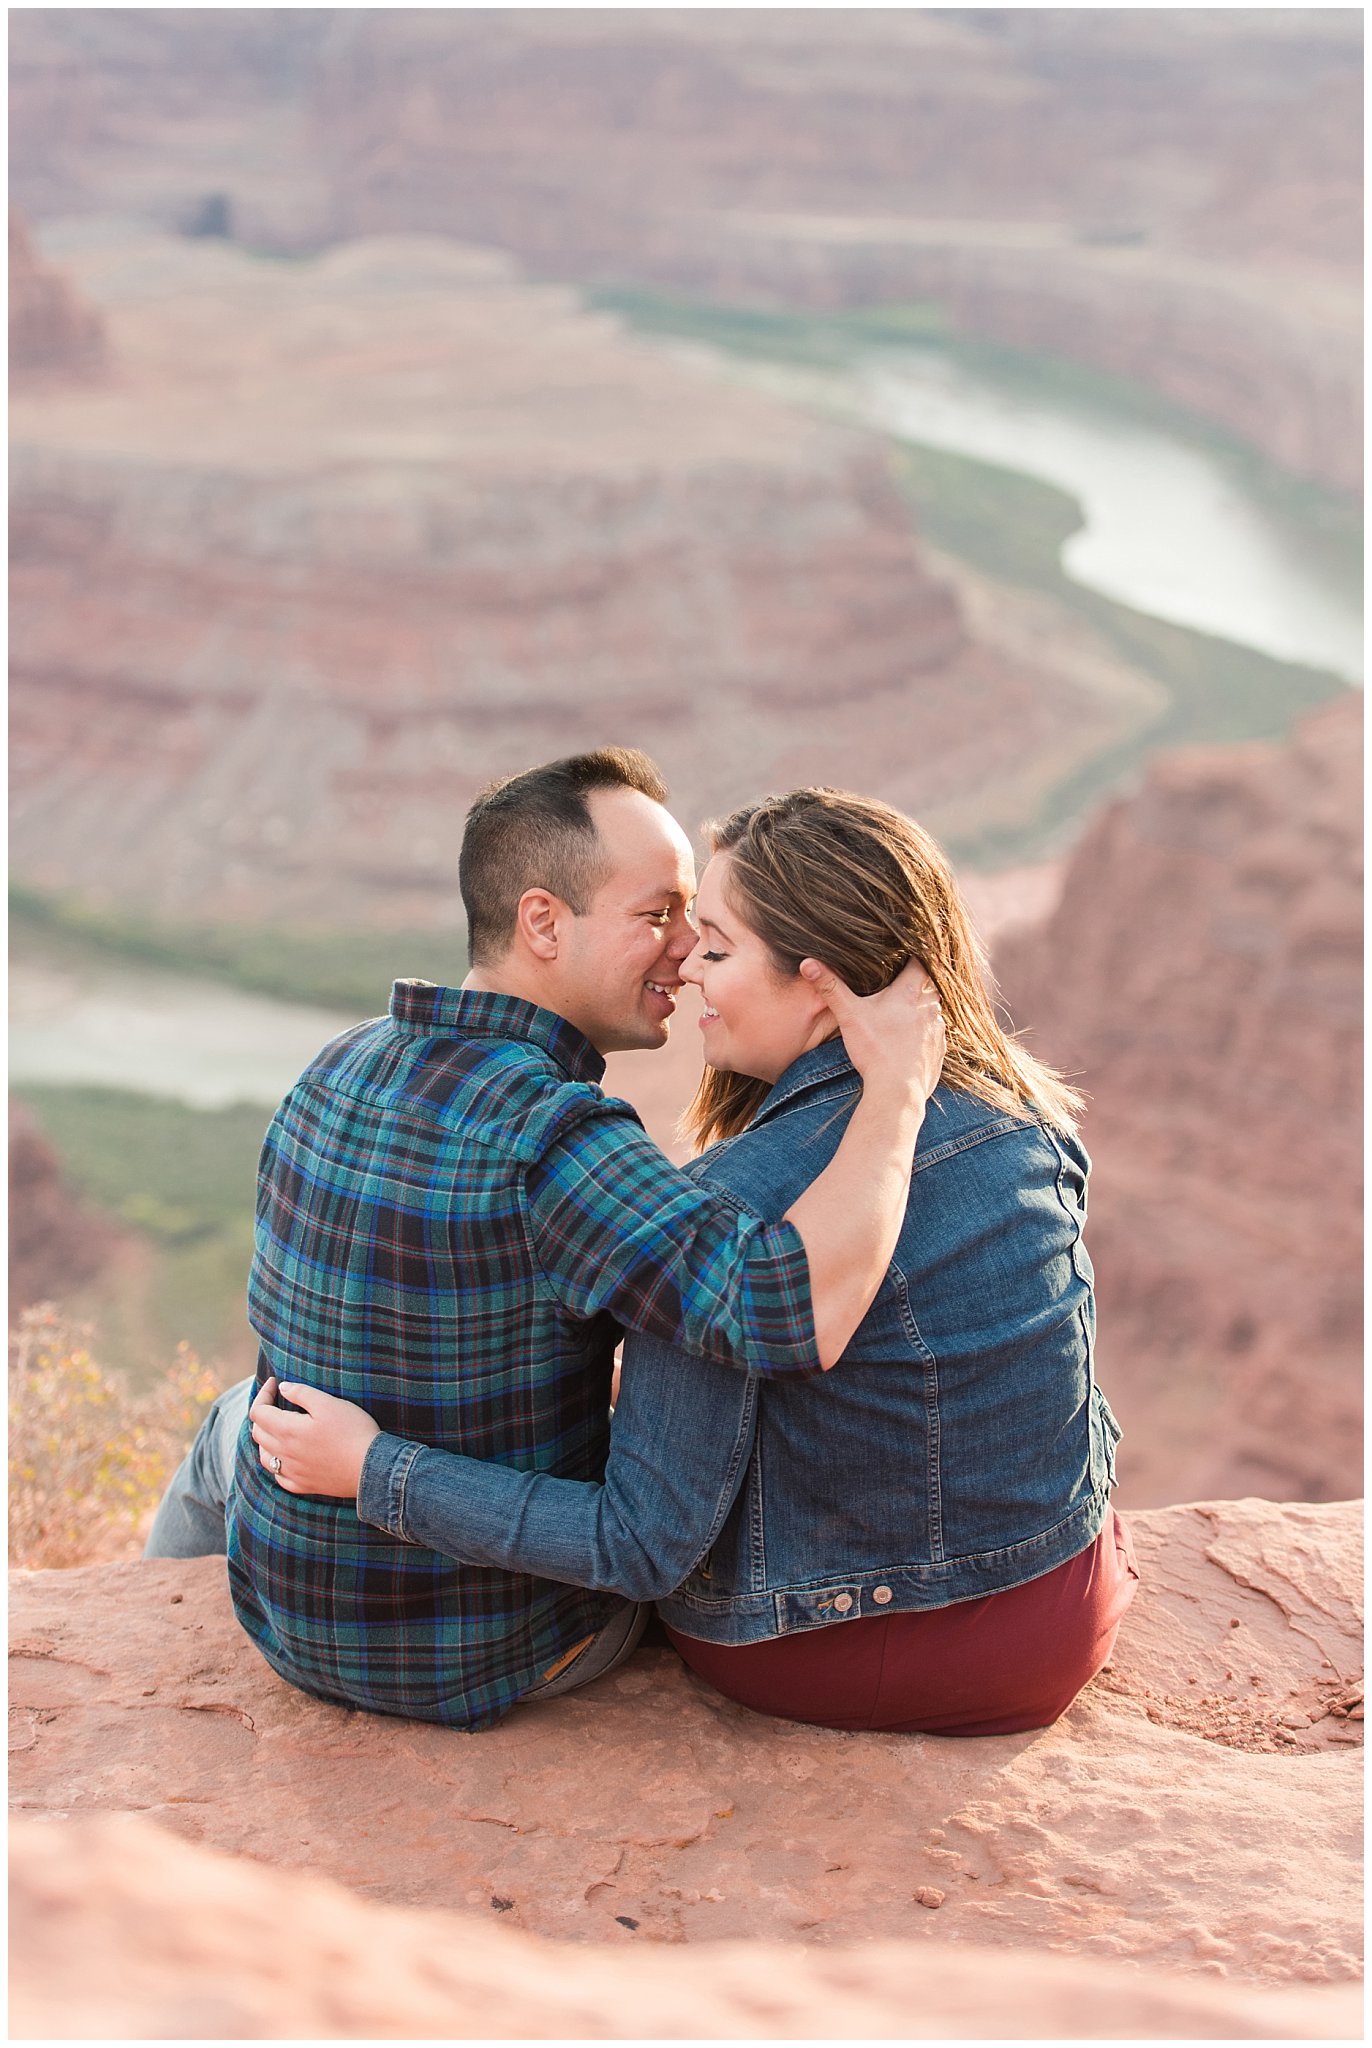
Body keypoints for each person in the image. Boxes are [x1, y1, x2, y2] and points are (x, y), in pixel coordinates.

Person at [252, 788, 1136, 1737]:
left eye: (714, 945)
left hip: (827, 1653)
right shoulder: (1025, 1118)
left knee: (241, 1425)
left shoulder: (729, 1201)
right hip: (1062, 1619)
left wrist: (378, 1469)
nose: (687, 971)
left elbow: (643, 1541)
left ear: (819, 981)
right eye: (672, 928)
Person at [146, 750, 945, 1732]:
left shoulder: (336, 1063)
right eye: (657, 914)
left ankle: (146, 1634)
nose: (689, 948)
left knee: (237, 1415)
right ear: (542, 922)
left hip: (287, 1619)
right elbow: (790, 1311)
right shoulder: (564, 1141)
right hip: (494, 1647)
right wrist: (898, 1092)